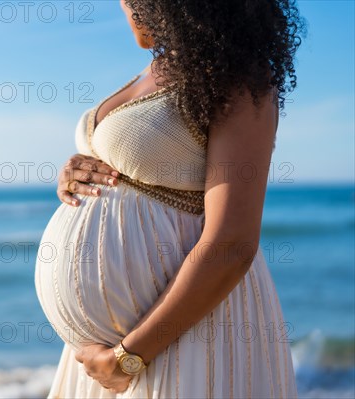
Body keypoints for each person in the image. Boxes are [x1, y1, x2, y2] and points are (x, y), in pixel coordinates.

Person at [34, 0, 307, 397]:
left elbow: (232, 243)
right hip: (106, 356)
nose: (125, 10)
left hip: (178, 341)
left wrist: (131, 355)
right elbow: (143, 160)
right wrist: (76, 171)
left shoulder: (238, 82)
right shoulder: (153, 71)